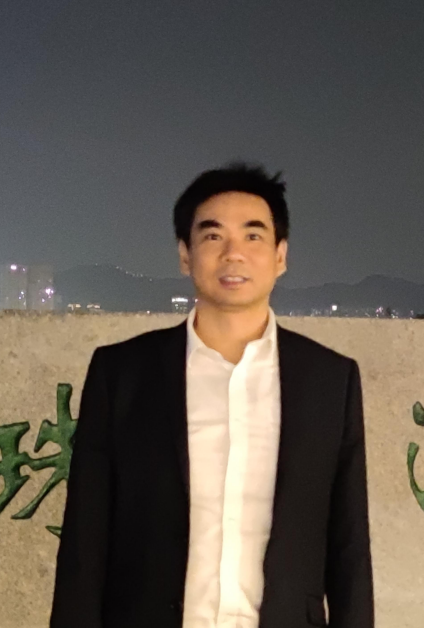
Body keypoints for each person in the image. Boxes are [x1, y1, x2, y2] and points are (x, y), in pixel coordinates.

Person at [51, 164, 374, 628]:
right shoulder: (122, 374)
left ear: (281, 255)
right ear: (185, 254)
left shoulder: (330, 381)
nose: (233, 254)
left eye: (253, 236)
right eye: (213, 236)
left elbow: (349, 547)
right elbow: (85, 541)